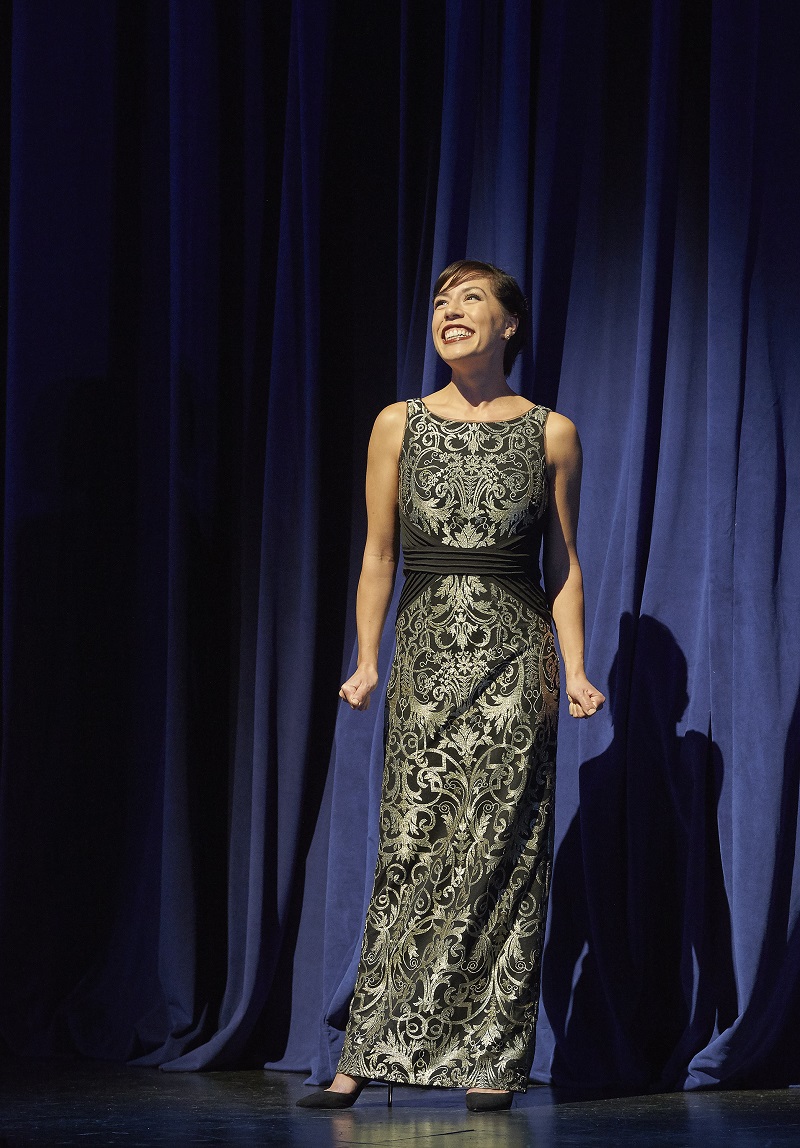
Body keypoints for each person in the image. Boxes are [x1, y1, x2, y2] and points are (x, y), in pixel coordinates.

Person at [297, 259, 605, 1112]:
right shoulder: (398, 423)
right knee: (413, 850)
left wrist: (574, 670)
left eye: (470, 299)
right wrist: (366, 660)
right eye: (440, 301)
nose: (450, 311)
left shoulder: (553, 432)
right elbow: (378, 555)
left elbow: (565, 567)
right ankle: (367, 1056)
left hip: (517, 660)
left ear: (510, 325)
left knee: (503, 857)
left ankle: (491, 1061)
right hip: (426, 660)